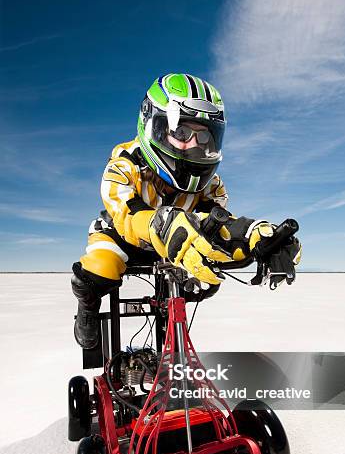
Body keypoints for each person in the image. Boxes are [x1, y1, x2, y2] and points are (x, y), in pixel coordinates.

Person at [71, 73, 301, 349]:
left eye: (204, 136)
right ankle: (87, 309)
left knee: (202, 280)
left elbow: (218, 222)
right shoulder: (123, 165)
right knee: (100, 268)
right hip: (121, 236)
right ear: (153, 126)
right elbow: (126, 215)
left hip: (178, 242)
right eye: (181, 133)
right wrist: (161, 223)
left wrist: (257, 236)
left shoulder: (211, 185)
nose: (195, 145)